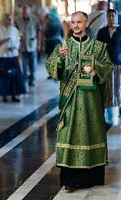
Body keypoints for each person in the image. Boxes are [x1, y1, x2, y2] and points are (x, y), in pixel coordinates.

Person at [46, 11, 113, 191]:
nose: (75, 25)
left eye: (79, 22)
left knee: (91, 133)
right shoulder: (63, 46)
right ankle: (70, 180)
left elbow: (108, 68)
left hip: (91, 102)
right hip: (70, 102)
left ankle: (91, 177)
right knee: (69, 134)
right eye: (73, 22)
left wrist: (94, 67)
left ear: (86, 24)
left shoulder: (98, 47)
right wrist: (60, 58)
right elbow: (51, 68)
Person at [0, 14, 26, 102]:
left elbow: (18, 41)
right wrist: (4, 40)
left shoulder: (14, 30)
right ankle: (4, 95)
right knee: (4, 76)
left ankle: (14, 95)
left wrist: (14, 47)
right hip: (3, 56)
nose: (9, 21)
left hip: (13, 55)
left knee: (14, 76)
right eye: (7, 19)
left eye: (10, 19)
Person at [97, 9, 121, 112]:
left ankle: (119, 105)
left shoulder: (120, 30)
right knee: (106, 86)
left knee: (118, 86)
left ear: (115, 17)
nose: (111, 18)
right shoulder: (102, 31)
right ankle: (105, 106)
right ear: (107, 17)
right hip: (105, 64)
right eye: (109, 16)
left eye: (112, 16)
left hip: (117, 63)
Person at [15, 4, 41, 87]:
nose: (25, 12)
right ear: (21, 11)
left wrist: (39, 43)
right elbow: (14, 32)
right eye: (23, 11)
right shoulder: (17, 20)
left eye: (26, 11)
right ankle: (25, 79)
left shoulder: (34, 19)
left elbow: (38, 31)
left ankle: (32, 80)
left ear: (29, 11)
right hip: (22, 46)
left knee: (33, 65)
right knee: (24, 65)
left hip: (32, 44)